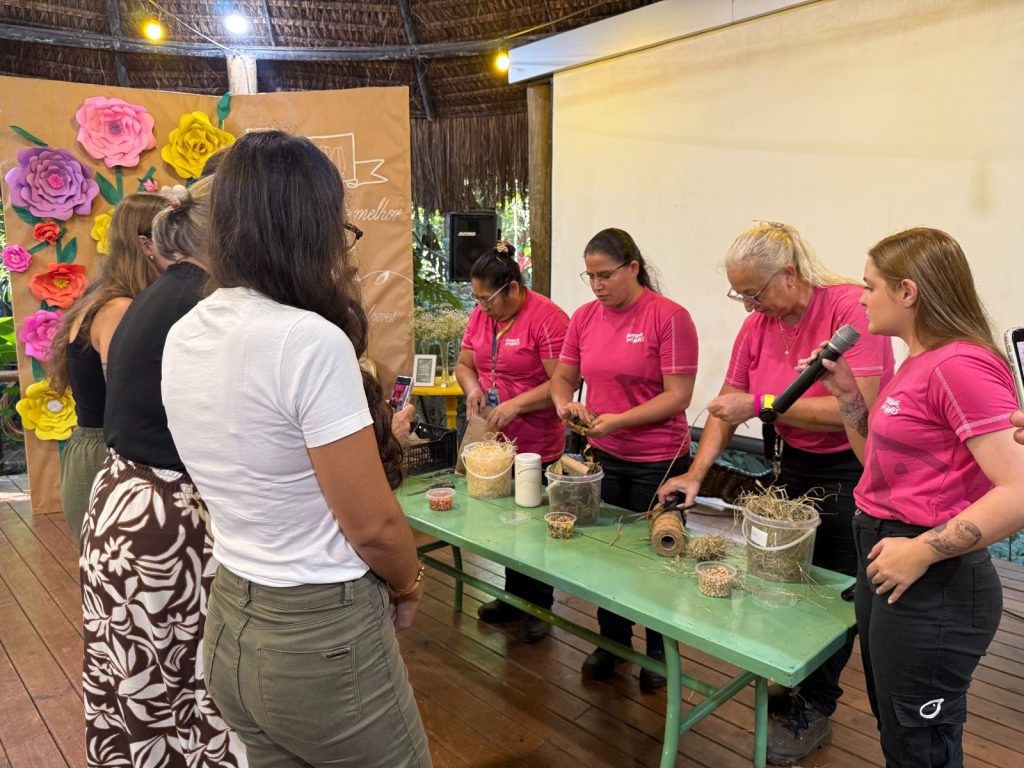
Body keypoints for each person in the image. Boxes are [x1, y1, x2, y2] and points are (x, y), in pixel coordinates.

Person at [162, 130, 431, 767]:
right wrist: (409, 582)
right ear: (310, 230)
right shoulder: (307, 340)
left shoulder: (187, 331)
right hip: (320, 636)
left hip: (230, 618)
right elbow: (372, 526)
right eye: (340, 230)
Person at [657, 221, 894, 765]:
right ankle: (794, 675)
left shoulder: (849, 310)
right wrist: (695, 475)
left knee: (832, 586)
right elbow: (727, 405)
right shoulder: (758, 325)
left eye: (753, 292)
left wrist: (764, 404)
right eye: (738, 294)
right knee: (781, 571)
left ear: (788, 274)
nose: (747, 305)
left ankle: (816, 705)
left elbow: (855, 410)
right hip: (789, 463)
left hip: (849, 466)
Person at [816, 227, 1024, 768]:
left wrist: (922, 551)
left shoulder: (960, 365)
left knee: (920, 742)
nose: (861, 299)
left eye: (870, 286)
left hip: (933, 578)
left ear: (907, 291)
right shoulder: (919, 361)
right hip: (888, 554)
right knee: (898, 729)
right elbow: (877, 464)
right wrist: (848, 398)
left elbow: (1020, 490)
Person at [80, 177, 247, 768]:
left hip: (122, 503)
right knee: (191, 679)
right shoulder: (205, 306)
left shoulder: (149, 299)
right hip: (167, 519)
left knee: (138, 679)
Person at [550, 227, 697, 692]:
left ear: (633, 268)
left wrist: (618, 421)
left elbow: (678, 396)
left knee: (656, 555)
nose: (596, 285)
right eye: (590, 276)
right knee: (607, 553)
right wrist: (566, 406)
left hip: (659, 459)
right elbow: (563, 378)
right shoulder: (584, 318)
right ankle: (613, 641)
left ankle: (657, 651)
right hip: (605, 456)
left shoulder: (669, 317)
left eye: (605, 275)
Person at [455, 241, 570, 645]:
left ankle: (539, 605)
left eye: (488, 299)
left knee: (532, 524)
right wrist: (472, 388)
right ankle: (513, 597)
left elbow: (562, 383)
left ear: (514, 289)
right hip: (493, 438)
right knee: (503, 521)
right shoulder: (481, 316)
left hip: (536, 438)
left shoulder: (548, 318)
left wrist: (516, 405)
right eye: (477, 299)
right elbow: (465, 364)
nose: (481, 307)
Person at [48, 192, 167, 545]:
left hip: (100, 447)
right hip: (107, 452)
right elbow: (128, 399)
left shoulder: (104, 300)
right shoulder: (119, 309)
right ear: (147, 245)